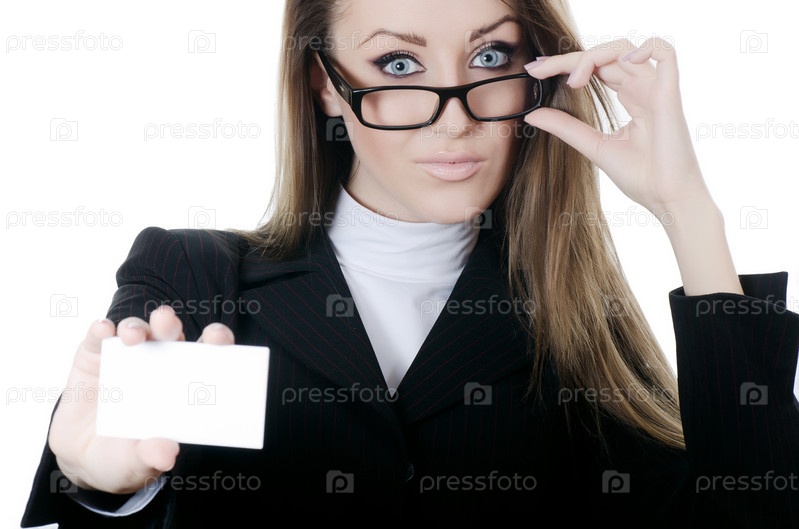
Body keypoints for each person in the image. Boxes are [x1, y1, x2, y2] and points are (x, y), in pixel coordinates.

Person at [20, 0, 799, 527]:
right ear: (326, 85)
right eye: (398, 64)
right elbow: (116, 465)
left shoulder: (572, 326)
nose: (455, 120)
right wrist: (105, 489)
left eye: (489, 55)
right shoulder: (194, 278)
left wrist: (686, 209)